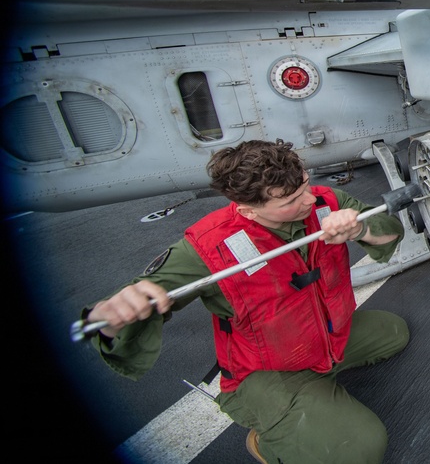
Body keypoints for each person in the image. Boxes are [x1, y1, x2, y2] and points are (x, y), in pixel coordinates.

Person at [81, 139, 409, 463]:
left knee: (395, 332)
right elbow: (135, 299)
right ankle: (271, 440)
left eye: (306, 184)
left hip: (326, 340)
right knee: (361, 447)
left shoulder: (328, 202)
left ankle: (318, 388)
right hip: (266, 369)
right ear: (247, 209)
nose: (309, 199)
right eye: (291, 200)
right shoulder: (208, 246)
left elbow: (392, 232)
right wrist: (107, 318)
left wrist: (360, 230)